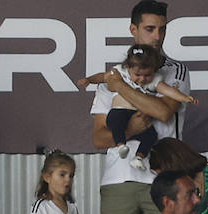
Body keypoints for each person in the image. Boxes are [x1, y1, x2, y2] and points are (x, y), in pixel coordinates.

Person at [90, 0, 190, 214]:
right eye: (149, 29)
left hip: (163, 177)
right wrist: (131, 129)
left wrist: (122, 87)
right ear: (133, 30)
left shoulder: (175, 71)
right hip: (117, 180)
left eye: (162, 29)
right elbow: (98, 138)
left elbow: (163, 112)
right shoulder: (110, 76)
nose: (157, 36)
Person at [79, 44, 196, 172]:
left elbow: (168, 91)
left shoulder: (153, 80)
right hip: (119, 112)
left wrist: (185, 98)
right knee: (117, 123)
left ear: (154, 71)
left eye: (147, 75)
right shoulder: (119, 73)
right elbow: (102, 76)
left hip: (138, 117)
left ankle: (138, 158)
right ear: (128, 67)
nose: (142, 79)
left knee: (151, 136)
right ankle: (121, 145)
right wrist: (89, 80)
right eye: (137, 75)